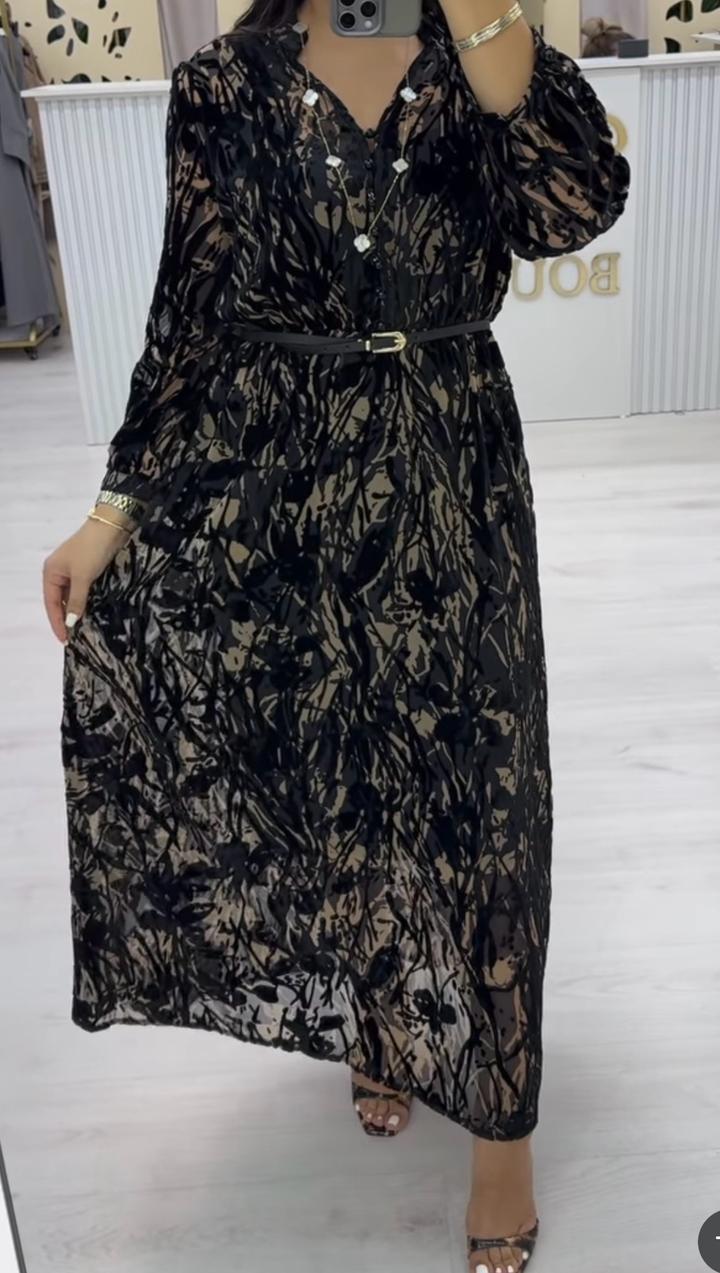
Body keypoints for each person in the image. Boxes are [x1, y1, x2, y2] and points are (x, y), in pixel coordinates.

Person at [43, 2, 630, 1270]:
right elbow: (189, 312)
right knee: (337, 771)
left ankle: (504, 1129)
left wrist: (488, 20)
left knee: (483, 795)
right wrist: (113, 511)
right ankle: (383, 1021)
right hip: (284, 474)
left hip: (452, 464)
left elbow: (571, 207)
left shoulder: (480, 61)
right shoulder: (223, 85)